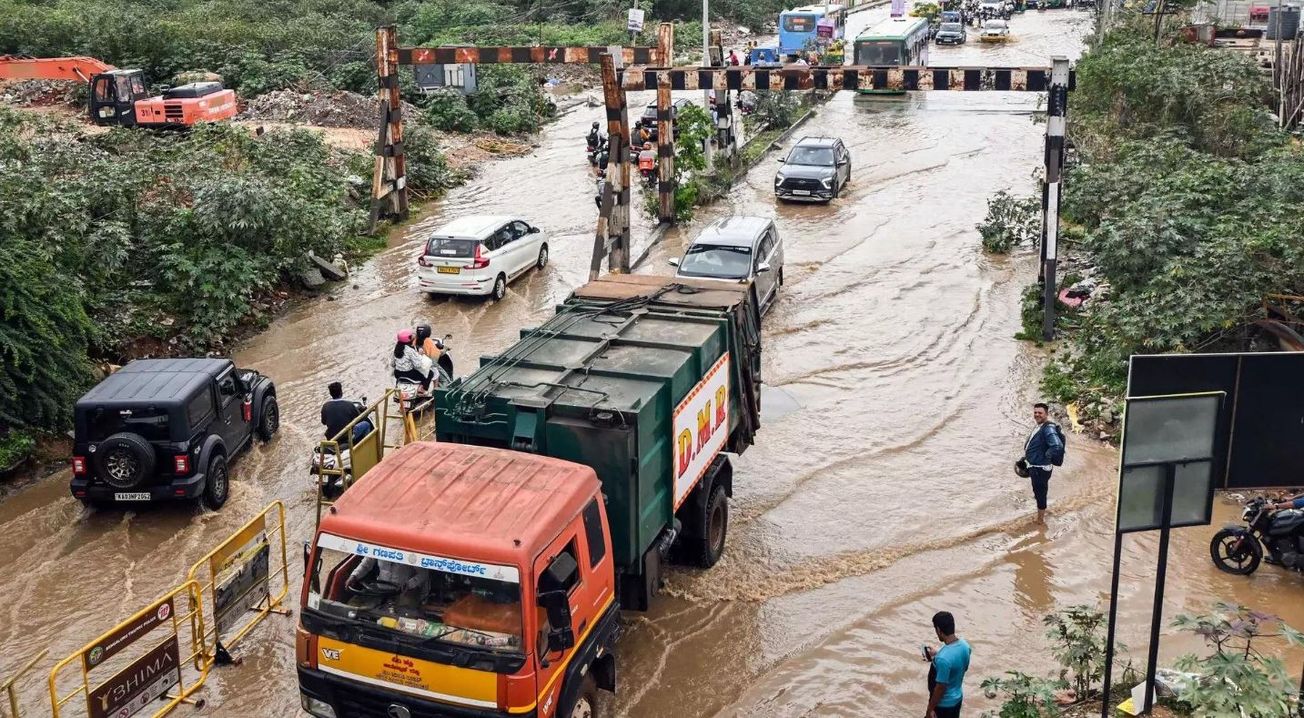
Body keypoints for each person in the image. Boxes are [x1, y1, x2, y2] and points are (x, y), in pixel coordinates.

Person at [1023, 402, 1066, 524]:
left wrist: (1045, 457)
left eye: (1040, 413)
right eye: (1035, 412)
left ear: (1046, 414)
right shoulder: (1041, 426)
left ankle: (1040, 520)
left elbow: (1057, 446)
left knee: (1040, 493)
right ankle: (1040, 506)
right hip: (1036, 466)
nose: (1037, 414)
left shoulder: (1048, 428)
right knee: (1038, 490)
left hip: (1040, 468)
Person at [925, 611, 971, 718]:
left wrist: (930, 709)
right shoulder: (965, 646)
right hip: (957, 699)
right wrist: (936, 655)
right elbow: (962, 667)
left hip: (942, 705)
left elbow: (940, 688)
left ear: (938, 630)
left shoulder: (943, 658)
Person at [348, 556, 430, 609]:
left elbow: (424, 573)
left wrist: (409, 584)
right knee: (354, 604)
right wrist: (354, 576)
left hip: (403, 591)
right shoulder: (378, 547)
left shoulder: (411, 554)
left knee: (404, 613)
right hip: (379, 588)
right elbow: (366, 564)